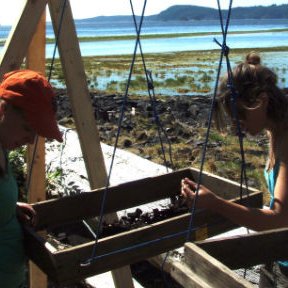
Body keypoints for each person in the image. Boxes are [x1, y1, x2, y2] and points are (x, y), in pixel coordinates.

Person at [181, 52, 288, 287]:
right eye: (232, 116)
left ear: (262, 100)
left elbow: (278, 221)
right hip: (277, 255)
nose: (236, 123)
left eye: (239, 113)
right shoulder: (276, 130)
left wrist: (215, 203)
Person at [0, 69, 62, 287]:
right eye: (27, 128)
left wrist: (9, 206)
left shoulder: (3, 145)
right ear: (3, 109)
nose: (30, 139)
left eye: (36, 132)